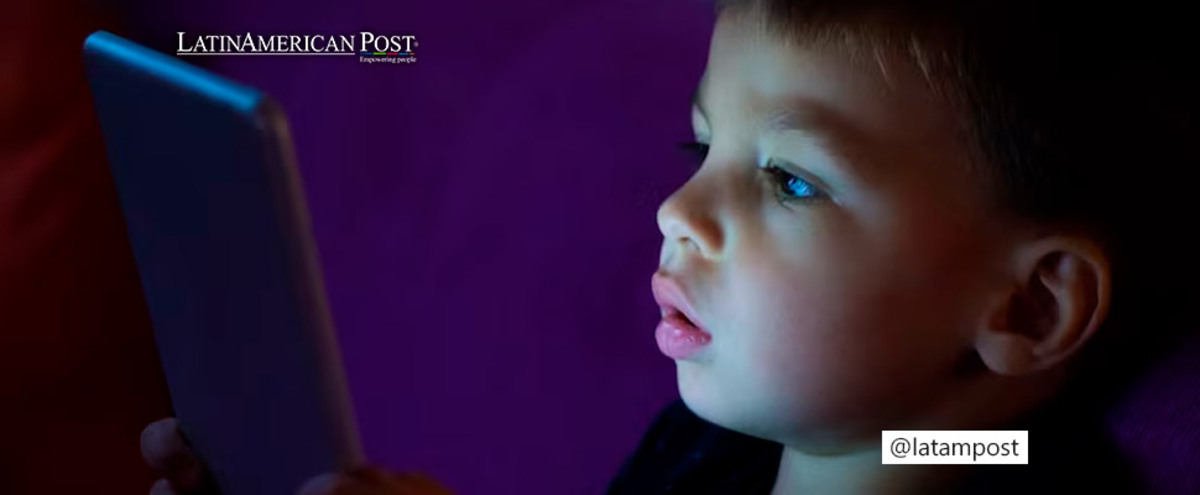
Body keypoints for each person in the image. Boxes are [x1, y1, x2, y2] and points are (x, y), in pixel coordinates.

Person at [139, 1, 1200, 493]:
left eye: (789, 178)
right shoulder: (734, 448)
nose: (675, 210)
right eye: (700, 144)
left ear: (1029, 309)